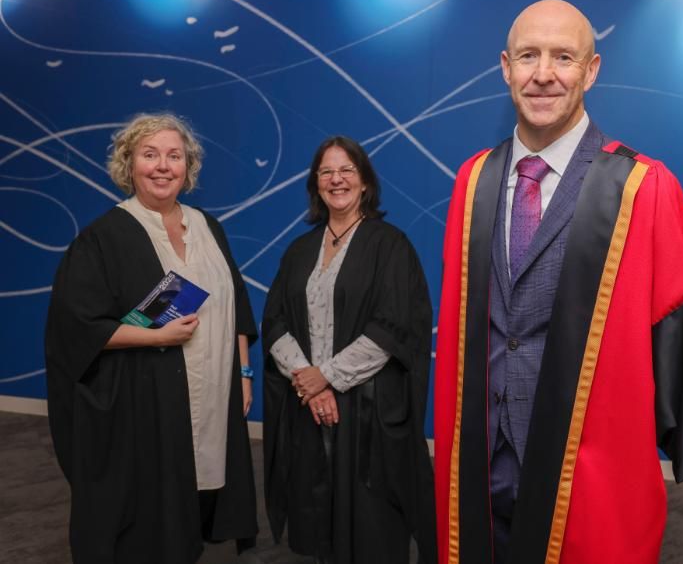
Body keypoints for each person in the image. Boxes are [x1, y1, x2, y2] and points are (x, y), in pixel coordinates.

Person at [433, 0, 683, 564]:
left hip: (585, 466)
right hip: (483, 459)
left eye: (563, 57)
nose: (543, 74)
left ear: (591, 70)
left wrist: (678, 439)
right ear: (505, 67)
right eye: (528, 56)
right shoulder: (474, 180)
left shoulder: (642, 187)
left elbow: (674, 325)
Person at [45, 113, 259, 563]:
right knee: (154, 512)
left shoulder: (208, 227)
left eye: (174, 156)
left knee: (206, 493)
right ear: (129, 164)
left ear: (188, 167)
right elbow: (76, 328)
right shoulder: (105, 237)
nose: (163, 166)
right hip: (146, 402)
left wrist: (243, 374)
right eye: (150, 155)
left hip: (214, 397)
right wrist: (155, 337)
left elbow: (236, 305)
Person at [261, 136, 437, 563]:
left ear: (364, 183)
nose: (336, 179)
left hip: (368, 411)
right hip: (310, 405)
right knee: (319, 516)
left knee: (371, 523)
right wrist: (310, 381)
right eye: (326, 172)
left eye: (346, 171)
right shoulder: (300, 250)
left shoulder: (389, 245)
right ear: (315, 184)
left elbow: (393, 326)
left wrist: (329, 377)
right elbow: (275, 321)